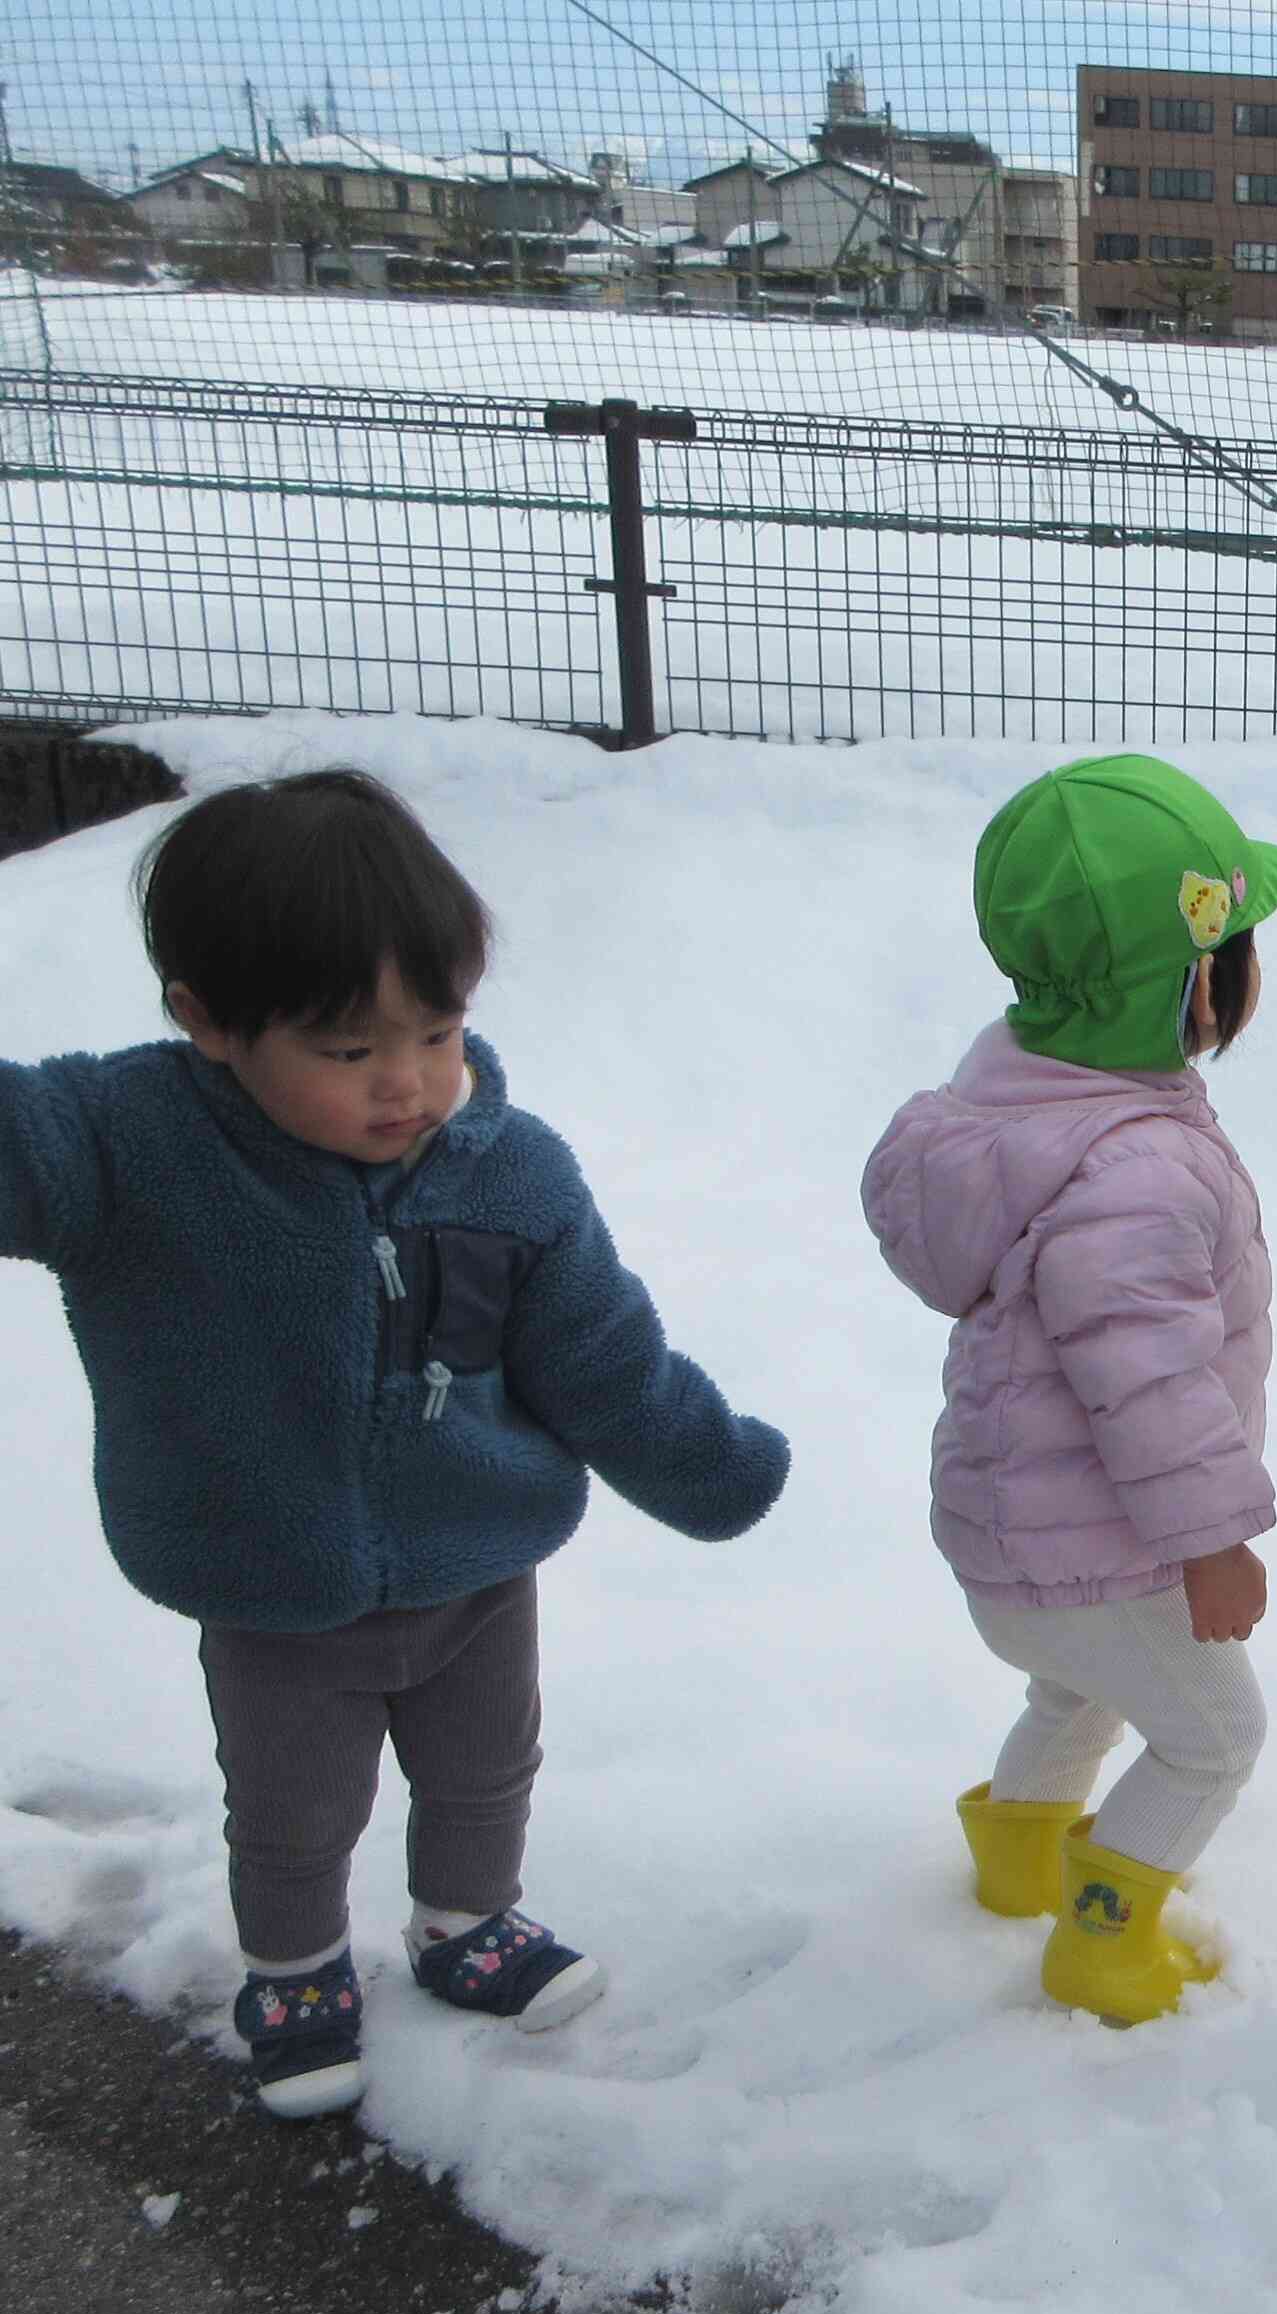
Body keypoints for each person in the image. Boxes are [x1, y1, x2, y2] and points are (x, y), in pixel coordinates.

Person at [0, 769, 789, 2119]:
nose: (409, 1082)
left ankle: (467, 1924)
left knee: (486, 1770)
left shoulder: (510, 1169)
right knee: (294, 1809)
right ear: (207, 1023)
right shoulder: (123, 1146)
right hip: (271, 1587)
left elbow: (599, 1355)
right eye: (351, 1051)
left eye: (439, 1030)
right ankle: (295, 1970)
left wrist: (713, 1465)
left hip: (478, 1566)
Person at [863, 754, 1277, 2028]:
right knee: (1213, 1739)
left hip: (1018, 1547)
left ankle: (1019, 1860)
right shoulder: (1135, 1168)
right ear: (1191, 982)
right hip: (1111, 1545)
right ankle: (1104, 1933)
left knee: (1080, 1686)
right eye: (1241, 946)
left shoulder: (1018, 1104)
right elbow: (1145, 1379)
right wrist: (1212, 1540)